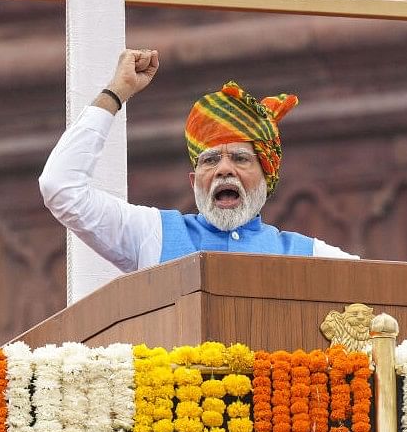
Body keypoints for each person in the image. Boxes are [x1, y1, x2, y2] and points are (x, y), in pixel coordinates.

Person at [39, 48, 357, 273]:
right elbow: (61, 187)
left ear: (267, 177)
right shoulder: (154, 234)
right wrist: (116, 93)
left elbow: (386, 297)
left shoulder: (311, 257)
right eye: (210, 160)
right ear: (194, 182)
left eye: (240, 158)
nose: (223, 170)